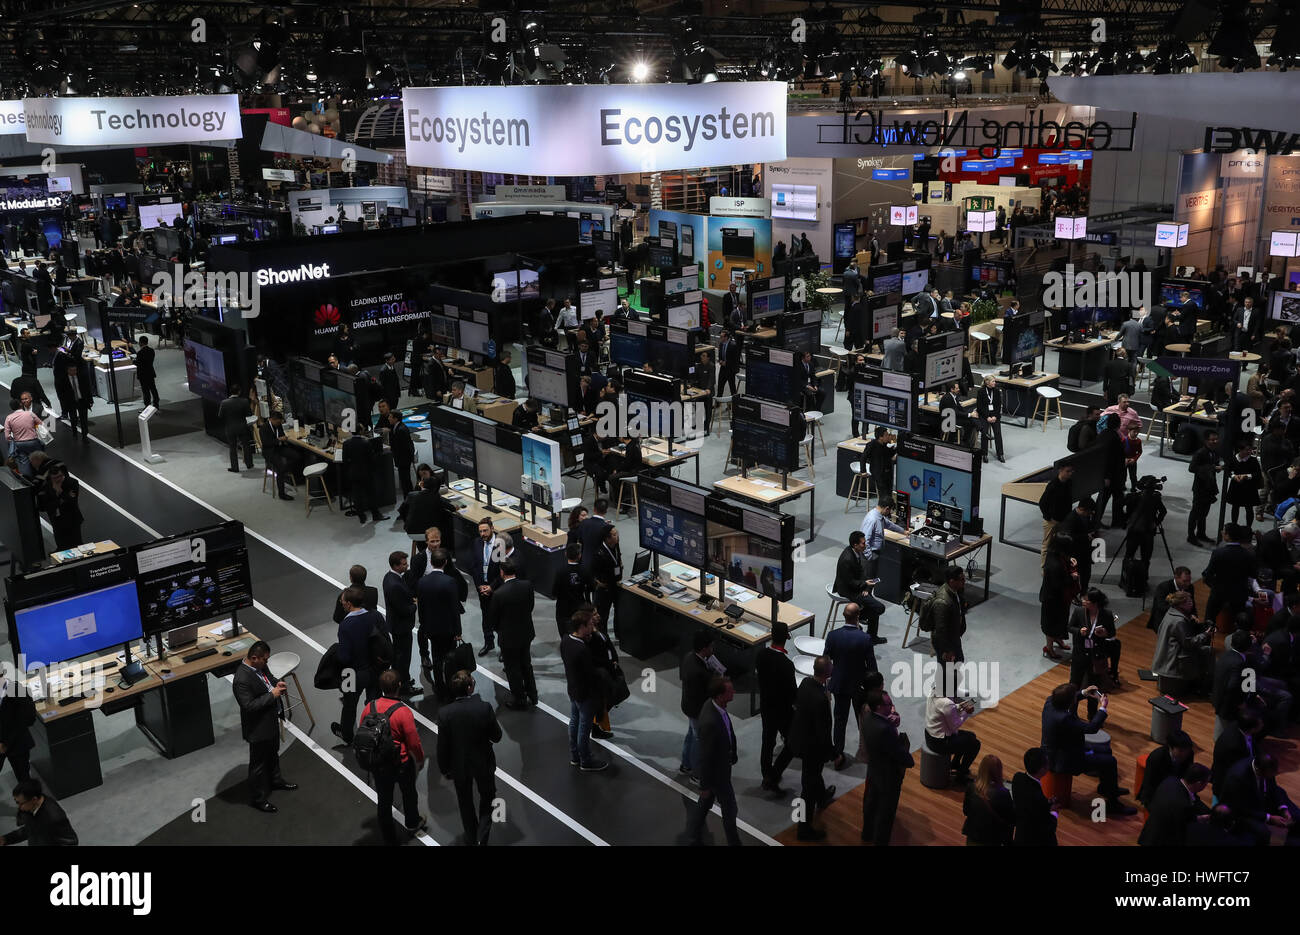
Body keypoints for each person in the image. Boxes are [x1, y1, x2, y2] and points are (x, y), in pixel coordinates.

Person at [1041, 683, 1137, 815]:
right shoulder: (1064, 718)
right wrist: (1103, 708)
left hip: (1062, 747)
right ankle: (1113, 803)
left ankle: (1108, 788)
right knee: (1110, 761)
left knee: (1106, 752)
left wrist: (1084, 693)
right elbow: (1091, 728)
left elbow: (1068, 697)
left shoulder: (1050, 702)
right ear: (1069, 702)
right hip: (1064, 760)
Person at [437, 669, 502, 846]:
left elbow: (442, 747)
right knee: (488, 797)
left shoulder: (445, 714)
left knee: (465, 802)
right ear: (469, 688)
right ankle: (483, 836)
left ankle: (472, 837)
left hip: (459, 765)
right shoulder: (484, 708)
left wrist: (444, 769)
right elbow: (497, 736)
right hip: (483, 761)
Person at [362, 670, 426, 844]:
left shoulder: (370, 706)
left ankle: (389, 838)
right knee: (409, 793)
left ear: (381, 687)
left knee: (384, 800)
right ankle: (413, 822)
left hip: (379, 763)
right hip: (401, 763)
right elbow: (413, 741)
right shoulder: (403, 712)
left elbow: (364, 731)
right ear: (398, 686)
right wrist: (419, 759)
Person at [232, 641, 295, 813]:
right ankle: (258, 799)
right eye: (265, 660)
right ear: (254, 658)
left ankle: (276, 781)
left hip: (270, 721)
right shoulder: (241, 680)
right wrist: (272, 695)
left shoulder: (259, 667)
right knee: (258, 765)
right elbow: (249, 706)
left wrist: (277, 684)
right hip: (258, 728)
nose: (267, 664)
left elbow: (270, 679)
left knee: (273, 753)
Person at [685, 675, 742, 846]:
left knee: (704, 803)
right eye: (730, 691)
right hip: (718, 774)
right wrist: (704, 785)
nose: (734, 692)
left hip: (720, 769)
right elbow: (706, 756)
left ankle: (693, 833)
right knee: (730, 810)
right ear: (720, 695)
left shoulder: (715, 706)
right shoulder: (710, 721)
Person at [331, 587, 389, 745]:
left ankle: (347, 735)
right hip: (374, 668)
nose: (341, 604)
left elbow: (344, 656)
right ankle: (376, 732)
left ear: (349, 604)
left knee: (349, 704)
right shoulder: (374, 617)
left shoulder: (345, 625)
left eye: (342, 602)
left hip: (351, 672)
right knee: (374, 703)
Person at [789, 655, 835, 841]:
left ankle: (822, 796)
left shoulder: (806, 683)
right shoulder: (821, 700)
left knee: (812, 777)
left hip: (800, 739)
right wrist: (832, 752)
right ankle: (804, 828)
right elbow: (823, 730)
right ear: (827, 673)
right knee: (808, 786)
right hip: (812, 747)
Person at [861, 687, 914, 845]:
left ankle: (866, 834)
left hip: (873, 769)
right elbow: (898, 753)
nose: (892, 707)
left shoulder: (868, 717)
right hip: (888, 776)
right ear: (878, 707)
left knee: (871, 804)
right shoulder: (885, 729)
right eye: (888, 704)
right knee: (886, 813)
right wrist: (909, 760)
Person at [825, 603, 876, 768]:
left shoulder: (833, 636)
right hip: (859, 686)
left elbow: (826, 661)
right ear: (858, 617)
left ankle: (838, 755)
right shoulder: (865, 638)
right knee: (864, 720)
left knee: (840, 721)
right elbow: (872, 667)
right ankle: (867, 751)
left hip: (839, 684)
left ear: (844, 615)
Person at [562, 608, 608, 771]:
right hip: (585, 694)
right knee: (584, 728)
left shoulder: (566, 640)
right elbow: (592, 675)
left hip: (573, 689)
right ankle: (586, 760)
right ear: (581, 627)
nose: (592, 627)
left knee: (574, 722)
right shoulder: (582, 650)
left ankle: (575, 756)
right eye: (589, 625)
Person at [488, 560, 537, 709]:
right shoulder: (527, 586)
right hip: (526, 632)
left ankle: (520, 699)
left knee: (512, 668)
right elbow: (530, 607)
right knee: (526, 664)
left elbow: (493, 619)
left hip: (508, 637)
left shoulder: (498, 594)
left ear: (502, 573)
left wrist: (500, 630)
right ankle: (533, 695)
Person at [1220, 752, 1298, 845]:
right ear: (1258, 770)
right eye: (1271, 774)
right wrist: (1269, 818)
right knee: (1263, 833)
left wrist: (1283, 809)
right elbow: (1240, 807)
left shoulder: (1266, 767)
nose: (1273, 776)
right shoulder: (1238, 778)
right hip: (1244, 810)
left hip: (1261, 798)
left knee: (1296, 816)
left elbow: (1273, 787)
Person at [416, 549, 463, 702]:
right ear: (445, 562)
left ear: (431, 562)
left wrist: (424, 626)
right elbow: (454, 609)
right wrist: (458, 630)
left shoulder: (422, 582)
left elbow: (421, 608)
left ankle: (440, 688)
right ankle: (452, 686)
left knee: (436, 659)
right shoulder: (450, 582)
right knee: (450, 659)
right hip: (448, 629)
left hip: (432, 628)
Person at [1152, 589, 1216, 698]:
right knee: (1207, 652)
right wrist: (1205, 634)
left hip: (1166, 657)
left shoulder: (1171, 613)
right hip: (1173, 663)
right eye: (1189, 602)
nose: (1192, 604)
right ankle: (1204, 688)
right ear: (1180, 604)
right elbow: (1189, 643)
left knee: (1205, 651)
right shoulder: (1179, 621)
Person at [756, 621, 796, 792]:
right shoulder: (786, 664)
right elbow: (793, 693)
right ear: (786, 638)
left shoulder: (761, 655)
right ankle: (774, 774)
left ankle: (767, 774)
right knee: (792, 743)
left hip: (766, 706)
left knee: (767, 742)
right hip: (784, 710)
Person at [1069, 588, 1122, 703]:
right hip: (1080, 654)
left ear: (1094, 603)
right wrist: (1079, 631)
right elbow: (1070, 627)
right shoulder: (1079, 611)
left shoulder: (1106, 614)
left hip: (1096, 656)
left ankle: (1092, 715)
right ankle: (1071, 711)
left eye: (1086, 600)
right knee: (1074, 685)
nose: (1083, 601)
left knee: (1094, 687)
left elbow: (1112, 632)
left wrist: (1105, 633)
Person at [1138, 763, 1211, 846]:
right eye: (1206, 783)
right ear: (1198, 783)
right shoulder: (1182, 804)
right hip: (1161, 840)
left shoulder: (1170, 780)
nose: (1206, 786)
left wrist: (1198, 818)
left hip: (1150, 832)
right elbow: (1180, 830)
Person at [679, 629, 716, 781]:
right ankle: (697, 774)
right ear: (704, 648)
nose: (713, 649)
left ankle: (686, 764)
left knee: (691, 735)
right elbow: (708, 691)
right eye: (711, 646)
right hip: (697, 710)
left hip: (688, 705)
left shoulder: (688, 657)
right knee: (698, 740)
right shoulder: (699, 672)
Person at [1203, 524, 1257, 630]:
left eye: (1223, 531)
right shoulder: (1248, 554)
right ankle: (1239, 642)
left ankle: (1206, 642)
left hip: (1219, 593)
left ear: (1227, 535)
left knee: (1209, 620)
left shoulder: (1218, 553)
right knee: (1240, 621)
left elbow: (1208, 574)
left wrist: (1214, 586)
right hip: (1239, 594)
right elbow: (1253, 574)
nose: (1222, 532)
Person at [925, 678, 980, 781]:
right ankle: (961, 775)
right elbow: (955, 725)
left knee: (970, 736)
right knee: (975, 744)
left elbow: (947, 710)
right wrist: (967, 713)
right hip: (940, 743)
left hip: (930, 735)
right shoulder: (946, 703)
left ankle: (955, 763)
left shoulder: (933, 691)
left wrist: (961, 706)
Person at [1, 779, 78, 846]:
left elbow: (71, 842)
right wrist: (6, 839)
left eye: (21, 803)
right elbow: (30, 829)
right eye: (16, 802)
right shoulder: (29, 808)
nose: (19, 807)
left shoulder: (54, 817)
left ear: (34, 799)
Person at [383, 552, 418, 697]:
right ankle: (403, 686)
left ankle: (400, 681)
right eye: (404, 564)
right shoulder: (395, 585)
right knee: (403, 658)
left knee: (399, 656)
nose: (407, 565)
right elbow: (404, 610)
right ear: (396, 566)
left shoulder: (389, 577)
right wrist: (415, 605)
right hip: (401, 627)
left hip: (396, 625)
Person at [963, 754, 1015, 846]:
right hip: (992, 839)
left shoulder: (971, 787)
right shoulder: (1003, 794)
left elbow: (966, 811)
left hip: (973, 835)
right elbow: (1010, 819)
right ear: (999, 771)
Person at [1011, 747, 1058, 846]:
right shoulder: (1037, 799)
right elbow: (1049, 828)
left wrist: (1046, 803)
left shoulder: (1018, 778)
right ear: (1042, 769)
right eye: (1047, 764)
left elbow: (1030, 803)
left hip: (1021, 835)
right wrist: (1054, 812)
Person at [1137, 730, 1196, 807]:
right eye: (1181, 751)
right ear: (1170, 747)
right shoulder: (1156, 758)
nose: (1184, 754)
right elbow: (1150, 785)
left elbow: (1186, 776)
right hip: (1156, 794)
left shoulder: (1189, 754)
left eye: (1187, 751)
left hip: (1176, 791)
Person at [0, 672, 36, 784]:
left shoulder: (17, 690)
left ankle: (30, 799)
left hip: (17, 743)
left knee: (24, 779)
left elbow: (29, 718)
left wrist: (5, 743)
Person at [37, 462, 83, 550]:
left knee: (76, 544)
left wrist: (61, 492)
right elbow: (45, 505)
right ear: (50, 477)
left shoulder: (72, 482)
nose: (59, 479)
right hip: (56, 519)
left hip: (72, 518)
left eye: (60, 476)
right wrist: (61, 499)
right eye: (55, 478)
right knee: (61, 543)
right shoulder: (47, 486)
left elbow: (72, 501)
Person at [1188, 430, 1223, 545]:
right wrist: (1212, 468)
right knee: (1195, 512)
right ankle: (1191, 536)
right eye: (1212, 439)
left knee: (1204, 512)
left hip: (1210, 486)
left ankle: (1201, 533)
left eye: (1216, 439)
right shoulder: (1200, 453)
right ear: (1206, 441)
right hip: (1200, 487)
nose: (1215, 441)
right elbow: (1192, 468)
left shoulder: (1215, 452)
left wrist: (1216, 468)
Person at [552, 542, 591, 640]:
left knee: (564, 634)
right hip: (579, 607)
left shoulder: (560, 571)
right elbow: (591, 587)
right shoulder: (584, 570)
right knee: (579, 632)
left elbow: (554, 591)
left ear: (565, 554)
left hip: (563, 608)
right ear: (579, 555)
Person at [930, 564, 969, 664]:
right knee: (947, 673)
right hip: (945, 643)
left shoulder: (957, 590)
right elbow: (940, 630)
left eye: (964, 578)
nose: (964, 581)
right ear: (952, 581)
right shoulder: (942, 602)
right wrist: (947, 651)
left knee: (958, 664)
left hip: (954, 636)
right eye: (961, 579)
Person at [1038, 464, 1074, 565]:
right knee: (1047, 545)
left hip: (1063, 520)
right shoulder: (1053, 485)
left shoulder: (1069, 483)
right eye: (1068, 471)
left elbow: (1068, 501)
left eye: (1071, 471)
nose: (1070, 473)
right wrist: (1049, 517)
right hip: (1052, 521)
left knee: (1061, 543)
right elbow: (1042, 503)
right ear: (1060, 471)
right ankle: (1044, 569)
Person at [591, 523, 622, 636]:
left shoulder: (616, 544)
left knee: (619, 610)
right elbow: (592, 572)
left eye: (616, 533)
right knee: (603, 616)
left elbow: (618, 557)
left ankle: (618, 633)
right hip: (605, 589)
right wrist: (598, 582)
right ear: (607, 538)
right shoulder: (599, 554)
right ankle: (603, 637)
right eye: (614, 535)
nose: (617, 536)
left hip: (616, 585)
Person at [1225, 440, 1263, 529]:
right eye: (1246, 450)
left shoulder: (1253, 460)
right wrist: (1234, 476)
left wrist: (1246, 476)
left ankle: (1248, 528)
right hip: (1236, 486)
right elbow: (1228, 471)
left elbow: (1257, 474)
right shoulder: (1233, 459)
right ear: (1240, 450)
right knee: (1235, 507)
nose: (1249, 452)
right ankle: (1234, 526)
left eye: (1250, 450)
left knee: (1249, 509)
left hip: (1249, 487)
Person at [54, 356, 92, 442]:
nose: (74, 372)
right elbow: (61, 393)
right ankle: (74, 430)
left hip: (81, 400)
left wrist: (90, 400)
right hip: (71, 401)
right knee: (73, 418)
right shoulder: (63, 380)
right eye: (72, 370)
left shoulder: (81, 377)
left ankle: (84, 435)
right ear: (68, 370)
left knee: (84, 420)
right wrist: (64, 403)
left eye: (75, 370)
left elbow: (87, 389)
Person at [217, 383, 254, 473]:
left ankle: (235, 467)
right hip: (242, 427)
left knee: (232, 448)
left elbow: (220, 415)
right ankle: (249, 464)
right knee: (246, 446)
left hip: (230, 428)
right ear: (239, 392)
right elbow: (249, 414)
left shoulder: (224, 403)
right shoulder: (244, 401)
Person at [4, 399, 43, 478]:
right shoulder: (30, 414)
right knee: (39, 458)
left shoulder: (9, 418)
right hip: (33, 442)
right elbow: (40, 423)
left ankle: (29, 480)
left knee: (24, 462)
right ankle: (42, 475)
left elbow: (7, 436)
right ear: (20, 405)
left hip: (19, 444)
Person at [973, 375, 1006, 463]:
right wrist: (987, 417)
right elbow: (980, 406)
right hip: (985, 416)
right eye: (993, 381)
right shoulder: (981, 391)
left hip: (995, 415)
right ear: (987, 382)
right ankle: (984, 454)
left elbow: (998, 405)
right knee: (985, 434)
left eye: (994, 381)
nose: (995, 383)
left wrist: (995, 416)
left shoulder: (996, 391)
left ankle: (1000, 454)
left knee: (998, 433)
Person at [385, 407, 415, 497]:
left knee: (406, 481)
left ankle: (409, 498)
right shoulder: (396, 427)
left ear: (395, 418)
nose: (388, 418)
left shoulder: (401, 430)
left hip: (404, 460)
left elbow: (406, 446)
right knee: (404, 480)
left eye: (390, 417)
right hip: (401, 459)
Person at [134, 334, 159, 408]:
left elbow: (139, 363)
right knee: (153, 389)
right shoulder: (151, 351)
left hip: (143, 375)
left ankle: (147, 405)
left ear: (141, 343)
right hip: (150, 373)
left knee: (145, 391)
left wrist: (133, 361)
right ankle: (156, 404)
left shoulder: (140, 353)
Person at [717, 328, 741, 396]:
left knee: (732, 388)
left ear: (726, 337)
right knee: (720, 386)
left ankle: (734, 403)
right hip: (723, 368)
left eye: (721, 336)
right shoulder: (721, 344)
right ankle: (718, 403)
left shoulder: (733, 345)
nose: (720, 338)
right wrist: (720, 360)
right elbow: (720, 354)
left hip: (730, 369)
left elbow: (735, 359)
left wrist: (727, 363)